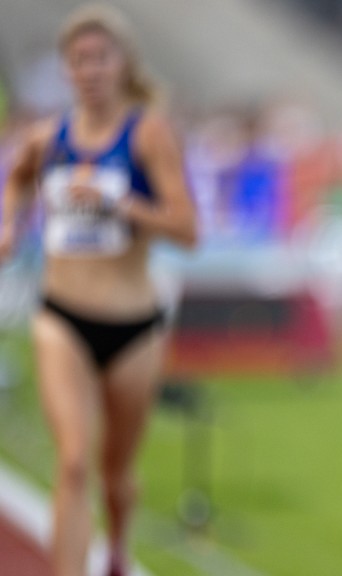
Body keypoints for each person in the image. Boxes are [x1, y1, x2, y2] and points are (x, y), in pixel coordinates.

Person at [0, 4, 197, 576]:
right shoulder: (47, 138)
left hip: (134, 325)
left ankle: (116, 547)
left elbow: (187, 230)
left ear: (121, 64)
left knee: (115, 473)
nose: (89, 69)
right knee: (72, 464)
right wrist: (11, 224)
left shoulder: (148, 136)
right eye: (78, 59)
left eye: (100, 58)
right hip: (61, 316)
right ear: (65, 69)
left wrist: (120, 202)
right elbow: (16, 180)